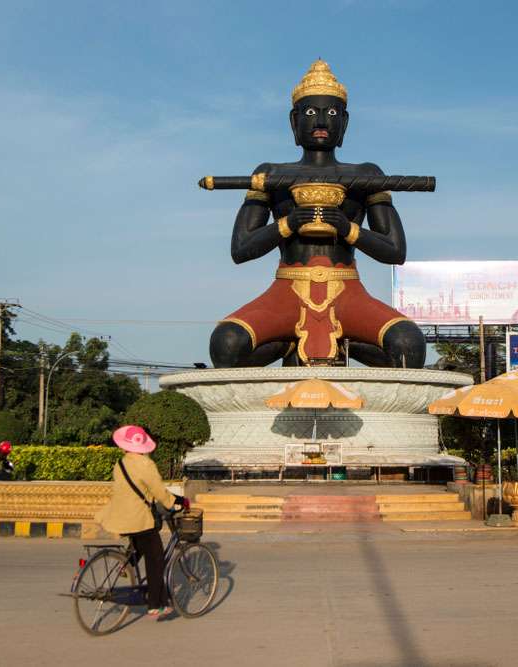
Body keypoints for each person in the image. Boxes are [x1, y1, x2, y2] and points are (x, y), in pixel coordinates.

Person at [208, 59, 425, 369]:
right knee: (226, 343)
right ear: (294, 122)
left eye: (332, 113)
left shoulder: (366, 175)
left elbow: (395, 252)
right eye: (311, 113)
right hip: (286, 290)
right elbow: (240, 249)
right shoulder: (270, 174)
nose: (322, 120)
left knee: (408, 344)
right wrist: (288, 224)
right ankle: (285, 344)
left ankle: (344, 343)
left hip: (348, 291)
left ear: (345, 123)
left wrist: (348, 229)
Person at [95, 425, 187, 620]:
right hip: (139, 518)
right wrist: (175, 502)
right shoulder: (146, 465)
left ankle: (125, 564)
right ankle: (156, 604)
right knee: (156, 559)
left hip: (120, 515)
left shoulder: (120, 464)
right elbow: (158, 491)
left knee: (141, 545)